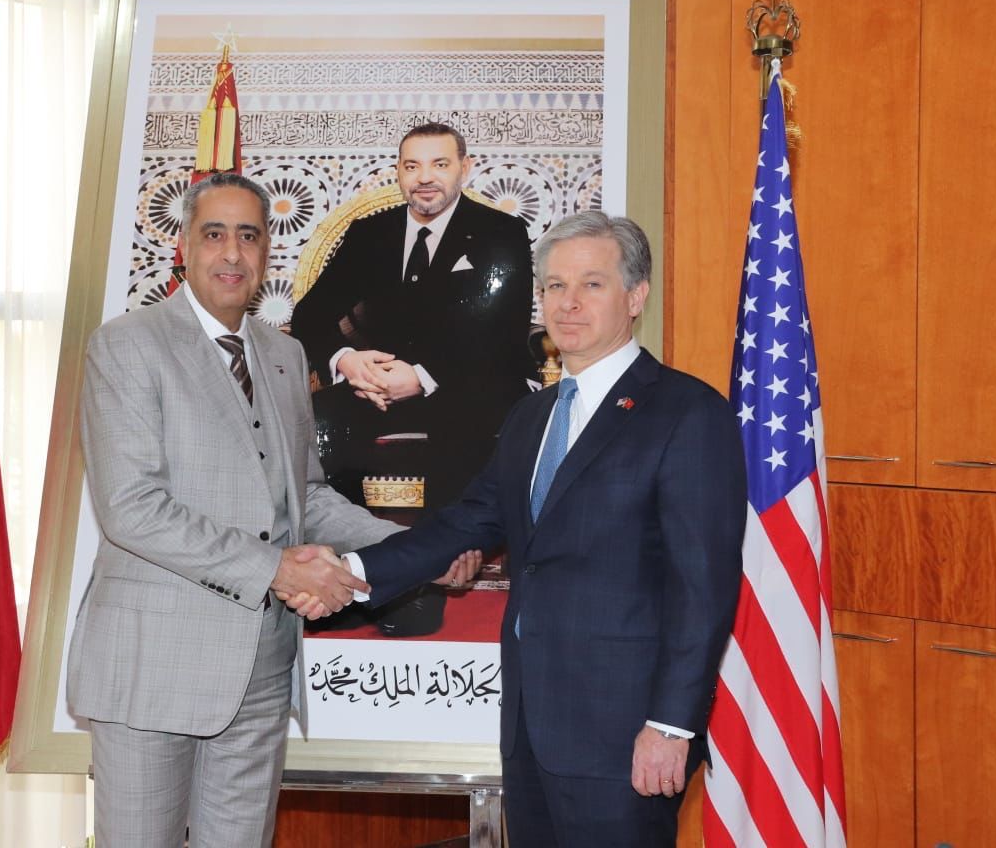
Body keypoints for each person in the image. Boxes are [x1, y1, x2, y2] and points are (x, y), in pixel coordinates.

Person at [310, 210, 747, 846]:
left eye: (592, 284)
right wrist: (348, 572)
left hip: (625, 735)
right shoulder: (531, 416)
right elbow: (465, 522)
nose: (568, 304)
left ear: (635, 296)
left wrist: (672, 727)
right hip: (529, 730)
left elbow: (703, 589)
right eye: (554, 286)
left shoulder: (687, 413)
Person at [67, 172, 475, 848]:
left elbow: (304, 497)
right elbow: (132, 509)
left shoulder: (284, 356)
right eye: (214, 234)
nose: (232, 253)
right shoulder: (127, 345)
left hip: (260, 673)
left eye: (249, 236)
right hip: (153, 671)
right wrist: (278, 569)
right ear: (184, 246)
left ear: (266, 253)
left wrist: (422, 550)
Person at [290, 121, 535, 634]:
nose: (425, 178)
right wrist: (347, 361)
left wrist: (421, 377)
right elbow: (311, 314)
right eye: (412, 166)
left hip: (462, 388)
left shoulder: (501, 233)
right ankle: (344, 581)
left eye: (439, 164)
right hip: (372, 387)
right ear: (398, 173)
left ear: (464, 169)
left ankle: (421, 586)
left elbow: (503, 334)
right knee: (320, 422)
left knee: (469, 423)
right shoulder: (370, 233)